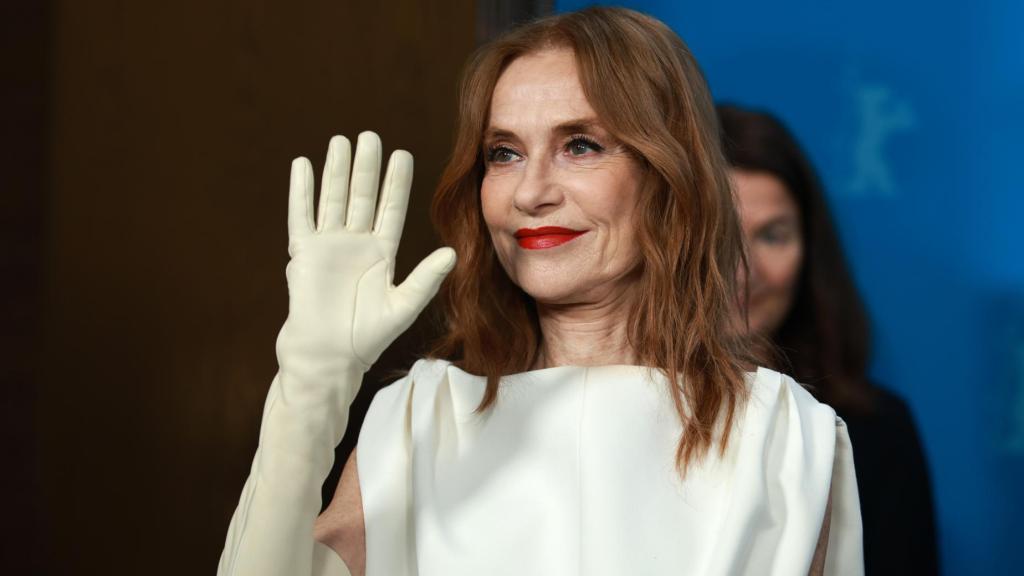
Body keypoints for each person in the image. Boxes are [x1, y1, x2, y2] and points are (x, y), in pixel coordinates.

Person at [218, 9, 863, 576]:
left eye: (579, 146)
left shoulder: (782, 433)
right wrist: (311, 384)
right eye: (503, 153)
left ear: (669, 176)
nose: (530, 193)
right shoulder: (418, 417)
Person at [718, 104, 939, 574]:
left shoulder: (876, 430)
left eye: (772, 236)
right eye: (718, 238)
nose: (744, 271)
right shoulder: (617, 408)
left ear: (809, 255)